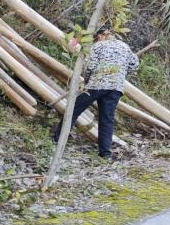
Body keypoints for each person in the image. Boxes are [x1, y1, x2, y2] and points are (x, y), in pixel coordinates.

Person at [56, 27, 149, 159]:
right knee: (107, 119)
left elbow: (90, 66)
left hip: (96, 84)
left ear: (100, 36)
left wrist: (87, 81)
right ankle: (105, 153)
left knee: (73, 110)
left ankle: (58, 140)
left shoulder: (98, 46)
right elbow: (135, 65)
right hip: (116, 88)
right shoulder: (124, 46)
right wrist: (120, 74)